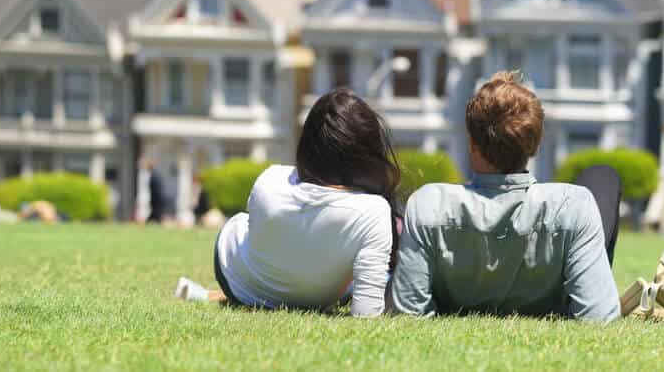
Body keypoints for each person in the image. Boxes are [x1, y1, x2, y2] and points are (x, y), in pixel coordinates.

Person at [389, 71, 621, 321]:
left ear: (472, 144)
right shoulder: (574, 204)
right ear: (534, 145)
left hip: (453, 296)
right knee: (603, 176)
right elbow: (600, 316)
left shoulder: (428, 203)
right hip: (554, 298)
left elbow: (408, 311)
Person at [174, 88, 401, 317]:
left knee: (237, 225)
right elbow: (366, 313)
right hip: (318, 293)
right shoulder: (374, 210)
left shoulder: (270, 179)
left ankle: (215, 295)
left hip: (243, 284)